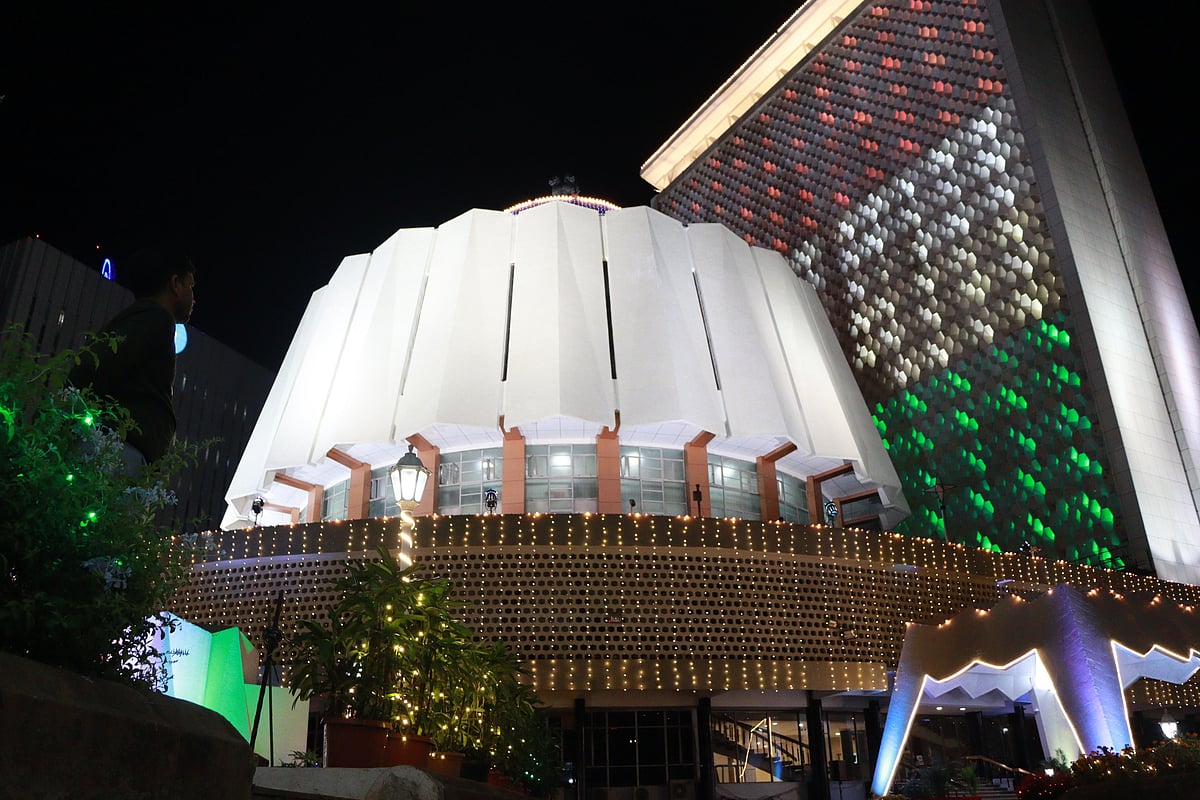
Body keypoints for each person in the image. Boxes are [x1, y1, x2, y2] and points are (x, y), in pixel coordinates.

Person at [69, 247, 197, 472]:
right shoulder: (155, 318)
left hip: (116, 450)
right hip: (117, 453)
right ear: (175, 284)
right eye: (190, 286)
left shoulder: (141, 318)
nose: (193, 298)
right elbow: (92, 369)